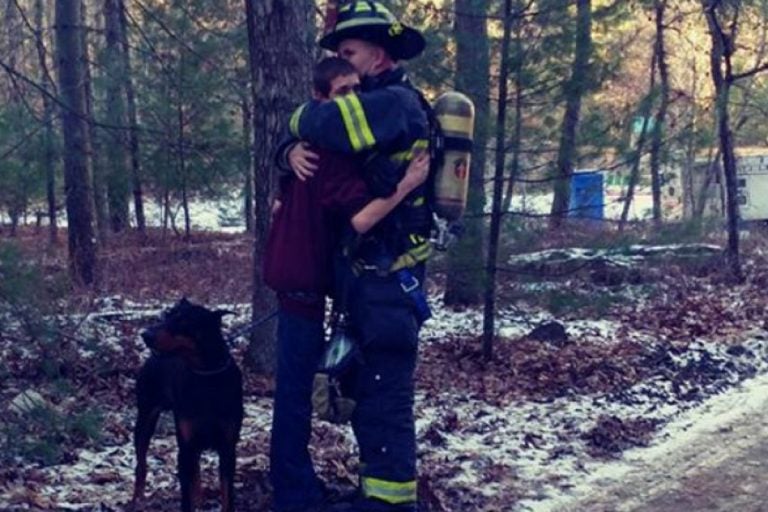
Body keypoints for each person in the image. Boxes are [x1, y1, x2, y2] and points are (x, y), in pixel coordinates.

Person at [278, 3, 433, 510]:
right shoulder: (373, 103)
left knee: (386, 399)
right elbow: (322, 134)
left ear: (379, 53)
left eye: (349, 53)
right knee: (370, 396)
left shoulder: (396, 103)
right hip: (369, 282)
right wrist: (287, 150)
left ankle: (391, 504)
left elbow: (327, 122)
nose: (343, 63)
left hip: (390, 281)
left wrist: (299, 119)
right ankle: (376, 497)